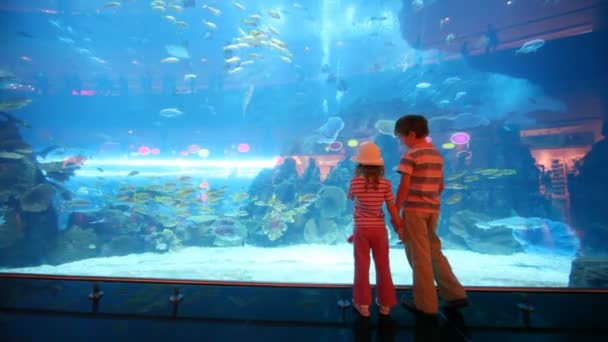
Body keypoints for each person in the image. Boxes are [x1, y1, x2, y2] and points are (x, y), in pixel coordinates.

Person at [393, 115, 469, 316]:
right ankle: (455, 294)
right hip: (433, 210)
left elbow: (404, 186)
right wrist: (430, 200)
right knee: (434, 250)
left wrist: (395, 210)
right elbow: (441, 185)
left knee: (419, 256)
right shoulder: (436, 155)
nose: (401, 142)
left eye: (401, 137)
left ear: (411, 134)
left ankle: (425, 305)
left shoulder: (411, 155)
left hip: (414, 211)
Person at [347, 142, 401, 317]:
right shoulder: (385, 184)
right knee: (383, 265)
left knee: (361, 266)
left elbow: (350, 198)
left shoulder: (355, 182)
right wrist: (398, 224)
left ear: (360, 165)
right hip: (379, 230)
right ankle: (386, 304)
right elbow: (391, 207)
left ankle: (363, 305)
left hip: (361, 229)